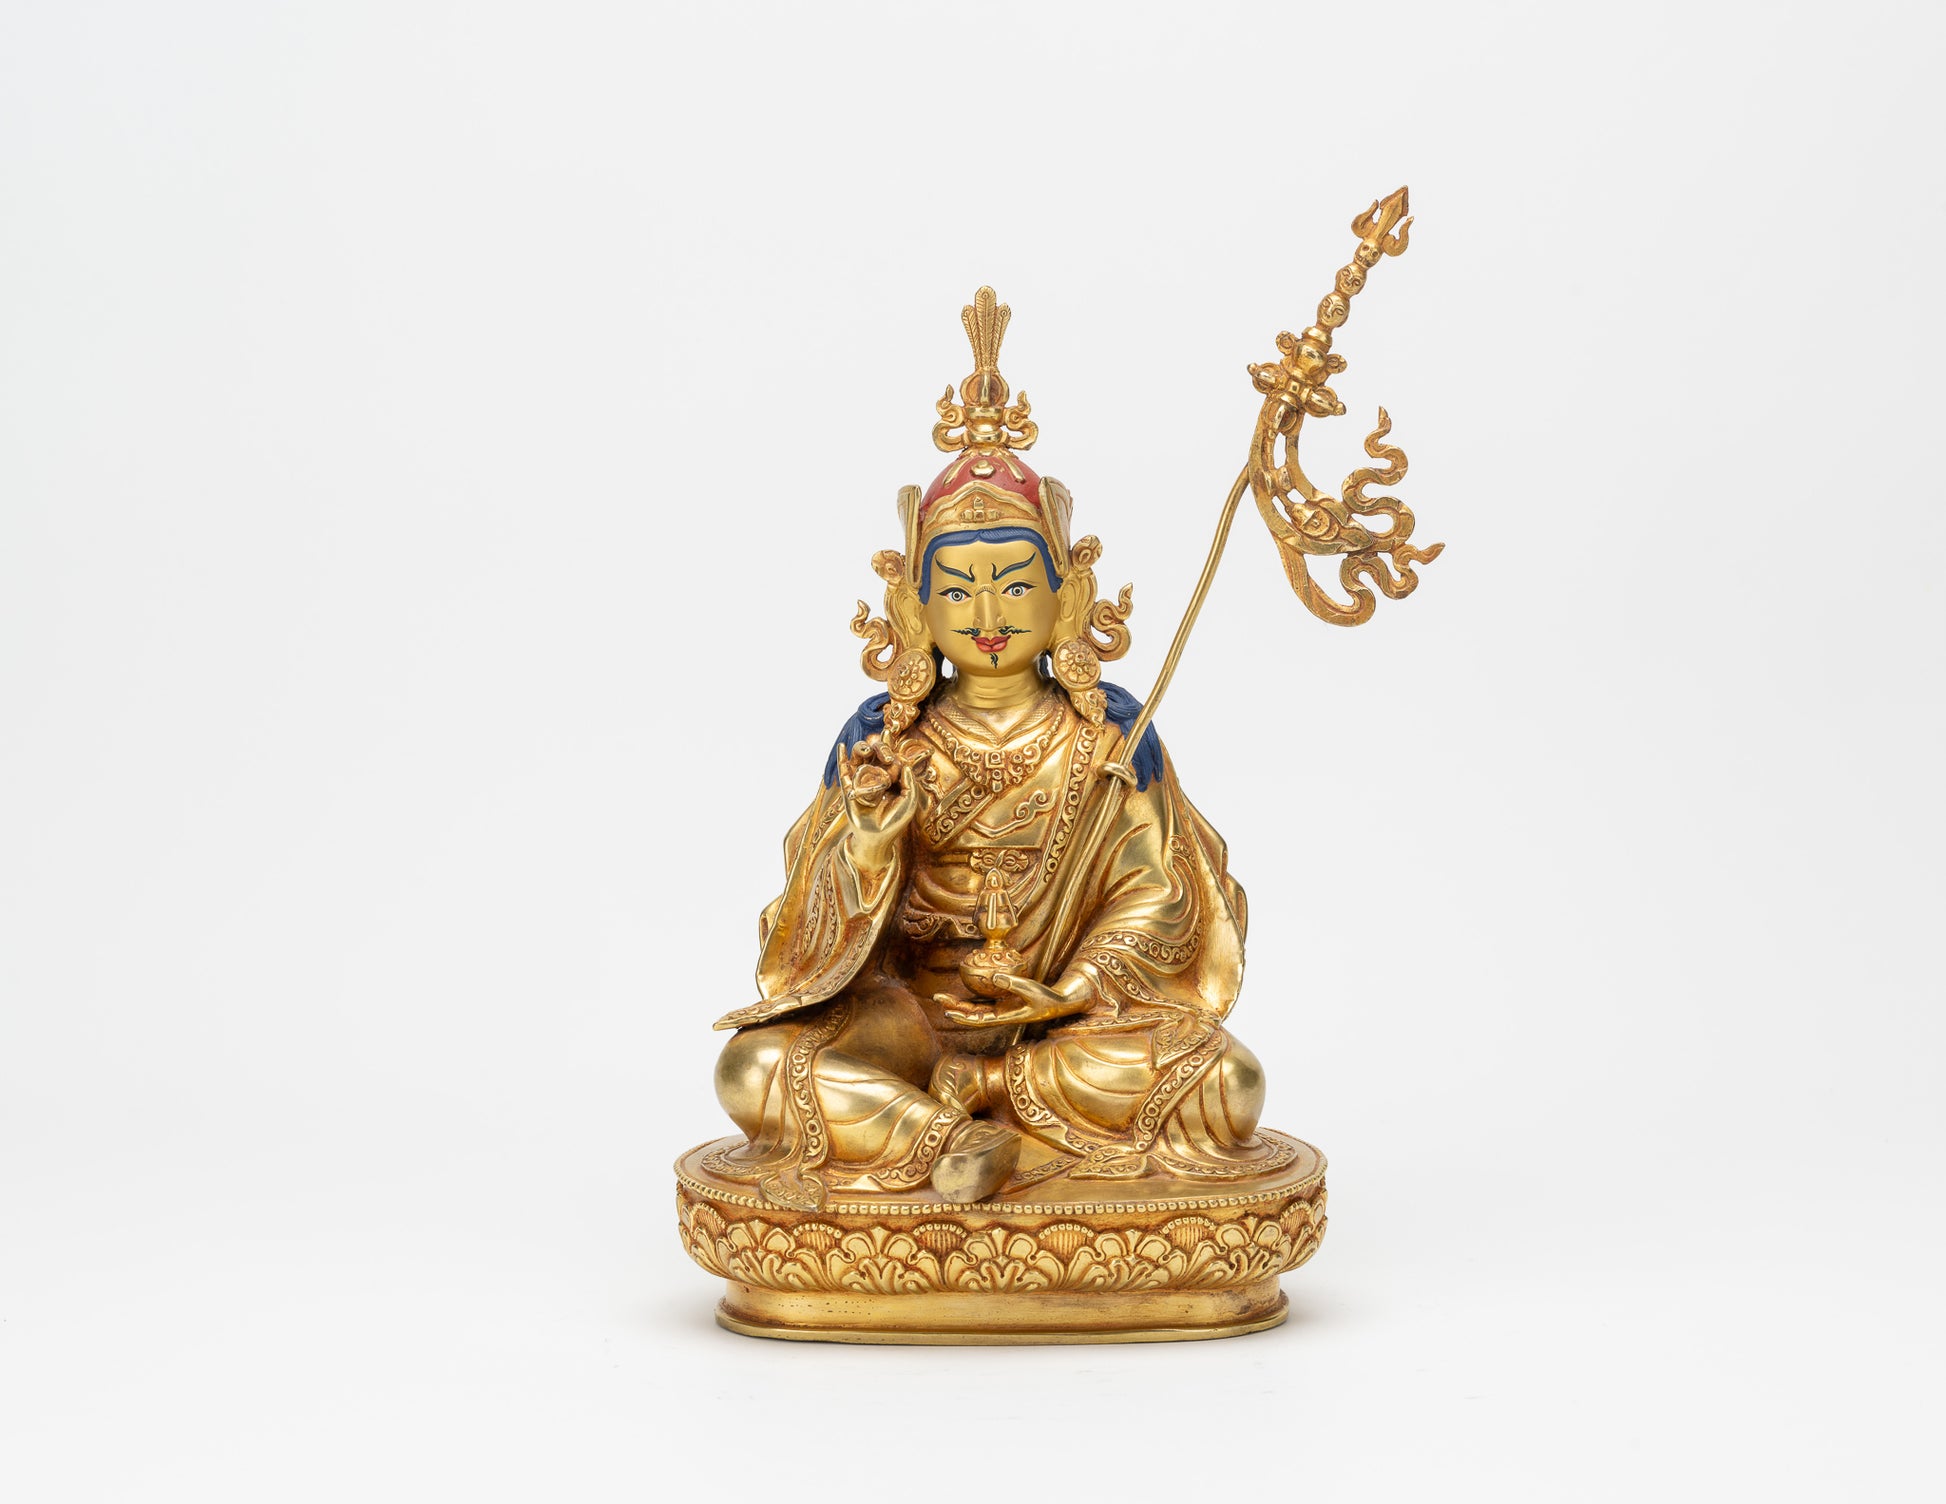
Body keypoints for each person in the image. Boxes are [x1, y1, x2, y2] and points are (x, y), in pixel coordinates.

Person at [707, 292, 1292, 1210]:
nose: (987, 615)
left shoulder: (1110, 740)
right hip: (907, 1023)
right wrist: (869, 842)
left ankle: (974, 1101)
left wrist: (1073, 987)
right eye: (958, 591)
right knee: (752, 1068)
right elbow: (808, 940)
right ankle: (948, 1138)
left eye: (1015, 586)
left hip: (1057, 1032)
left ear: (1066, 597)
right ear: (916, 609)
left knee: (1228, 1080)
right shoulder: (882, 742)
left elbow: (1160, 897)